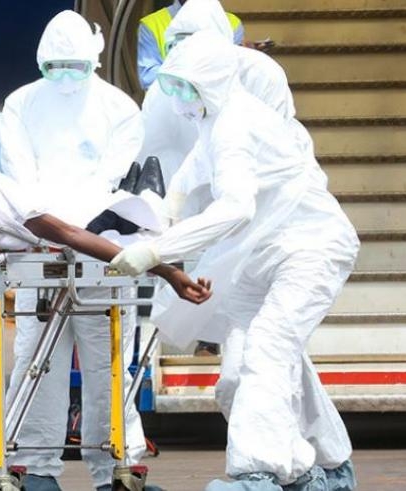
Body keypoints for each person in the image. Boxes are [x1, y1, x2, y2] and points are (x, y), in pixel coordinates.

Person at [110, 31, 359, 491]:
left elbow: (235, 207)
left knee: (266, 349)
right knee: (241, 369)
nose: (178, 99)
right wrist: (147, 215)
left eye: (186, 88)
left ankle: (257, 474)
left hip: (309, 248)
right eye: (173, 87)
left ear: (214, 82)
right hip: (262, 256)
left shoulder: (237, 125)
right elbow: (183, 187)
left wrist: (154, 251)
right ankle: (322, 467)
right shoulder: (215, 125)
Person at [0, 10, 159, 491]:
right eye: (55, 67)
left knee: (106, 364)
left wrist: (68, 229)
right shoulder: (20, 103)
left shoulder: (119, 108)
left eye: (75, 66)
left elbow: (110, 177)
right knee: (35, 360)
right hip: (40, 245)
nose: (65, 77)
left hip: (102, 248)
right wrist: (48, 227)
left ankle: (116, 466)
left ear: (93, 59)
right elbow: (19, 170)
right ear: (40, 62)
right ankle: (34, 466)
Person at [138, 0, 301, 357]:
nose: (187, 51)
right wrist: (167, 203)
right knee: (207, 266)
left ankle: (225, 340)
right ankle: (210, 338)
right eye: (177, 43)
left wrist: (155, 250)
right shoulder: (170, 84)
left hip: (258, 195)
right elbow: (157, 146)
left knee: (249, 285)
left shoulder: (259, 75)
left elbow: (274, 143)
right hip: (207, 189)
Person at [0, 151, 211, 307]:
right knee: (128, 211)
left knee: (119, 203)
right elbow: (69, 234)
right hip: (71, 221)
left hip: (52, 206)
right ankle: (145, 197)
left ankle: (137, 193)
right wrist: (164, 270)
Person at [137, 0, 243, 90]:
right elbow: (148, 77)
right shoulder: (152, 24)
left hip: (220, 105)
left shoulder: (232, 24)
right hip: (168, 104)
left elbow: (235, 73)